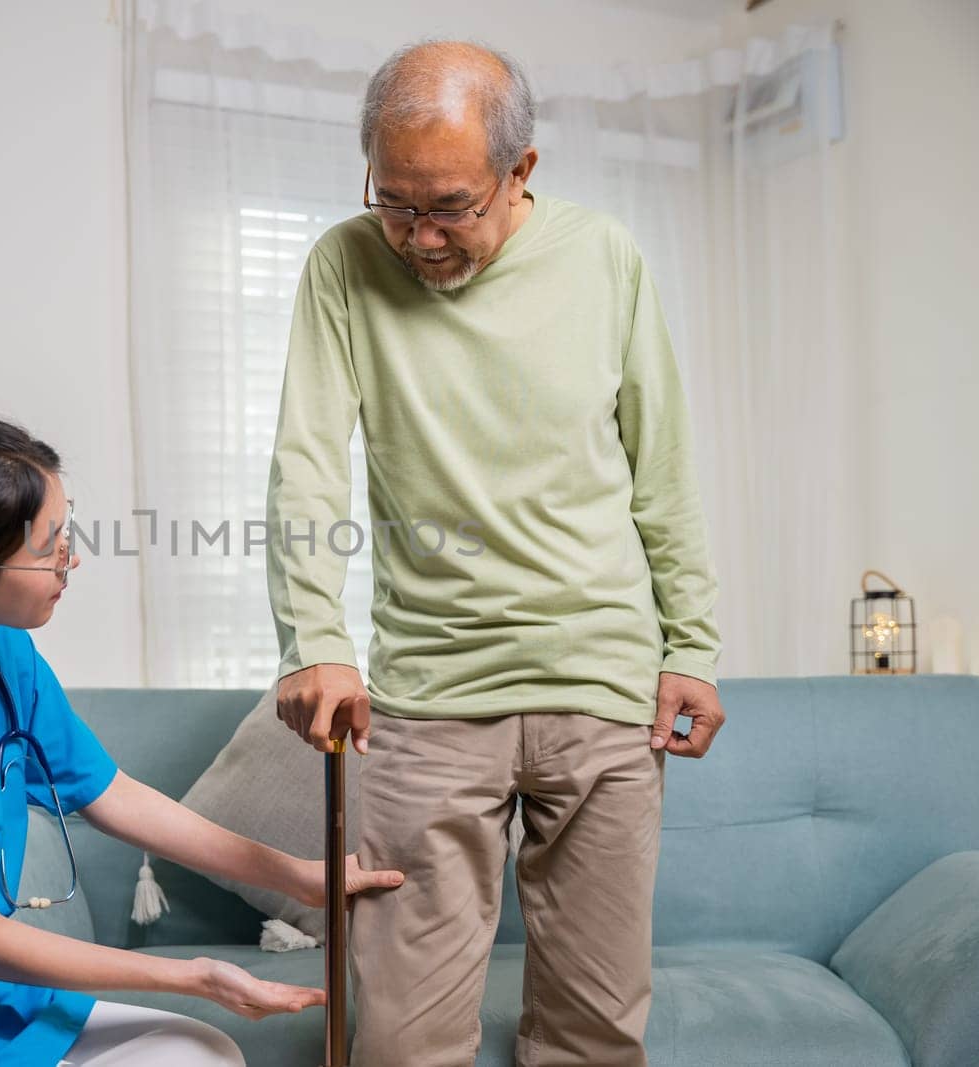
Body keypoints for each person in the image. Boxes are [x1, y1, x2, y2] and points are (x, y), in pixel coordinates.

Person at [265, 40, 726, 1067]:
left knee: (592, 1038)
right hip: (426, 701)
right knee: (394, 1041)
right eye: (396, 202)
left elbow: (663, 466)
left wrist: (691, 642)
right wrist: (313, 639)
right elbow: (305, 461)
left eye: (449, 207)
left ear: (520, 172)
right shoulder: (345, 262)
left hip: (602, 690)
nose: (419, 237)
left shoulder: (604, 256)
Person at [0, 417, 403, 1066]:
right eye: (49, 545)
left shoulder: (1, 650)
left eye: (69, 531)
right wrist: (199, 976)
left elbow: (111, 795)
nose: (73, 558)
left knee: (201, 1050)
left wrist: (301, 875)